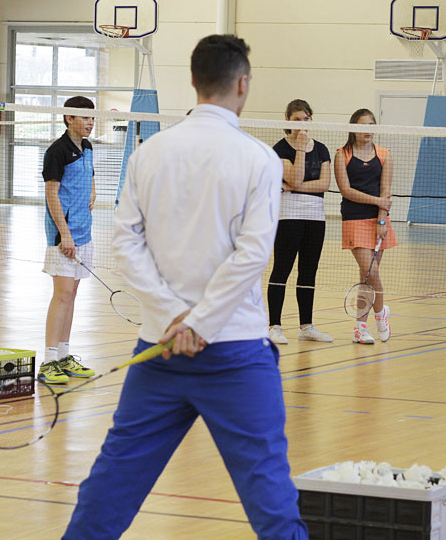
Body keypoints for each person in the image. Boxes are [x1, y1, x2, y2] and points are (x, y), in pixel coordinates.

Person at [65, 35, 307, 539]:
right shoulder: (260, 158)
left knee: (111, 484)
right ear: (243, 84)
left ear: (193, 81)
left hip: (161, 348)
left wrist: (173, 317)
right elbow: (254, 253)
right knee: (271, 498)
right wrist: (197, 322)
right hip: (235, 351)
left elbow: (125, 244)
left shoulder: (149, 153)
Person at [40, 95, 97, 385]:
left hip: (83, 234)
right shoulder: (57, 151)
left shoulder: (86, 147)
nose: (89, 123)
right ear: (68, 119)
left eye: (92, 118)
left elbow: (90, 175)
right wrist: (65, 234)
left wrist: (92, 191)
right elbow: (52, 195)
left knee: (72, 296)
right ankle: (49, 360)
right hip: (64, 236)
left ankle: (64, 355)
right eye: (84, 117)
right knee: (61, 295)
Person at [266, 99, 333, 344]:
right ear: (287, 121)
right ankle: (274, 325)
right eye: (296, 120)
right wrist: (301, 151)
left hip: (316, 216)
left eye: (306, 119)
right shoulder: (280, 149)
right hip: (288, 215)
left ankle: (307, 326)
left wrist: (294, 186)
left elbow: (324, 184)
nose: (302, 124)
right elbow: (295, 177)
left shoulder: (323, 149)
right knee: (282, 269)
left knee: (309, 271)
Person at [334, 108, 396, 345]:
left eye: (371, 125)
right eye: (362, 126)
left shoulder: (384, 155)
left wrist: (382, 218)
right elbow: (346, 190)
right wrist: (378, 201)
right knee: (371, 272)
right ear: (353, 128)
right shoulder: (343, 154)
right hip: (354, 218)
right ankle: (381, 315)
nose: (367, 130)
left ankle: (360, 327)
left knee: (366, 276)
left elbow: (385, 191)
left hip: (378, 221)